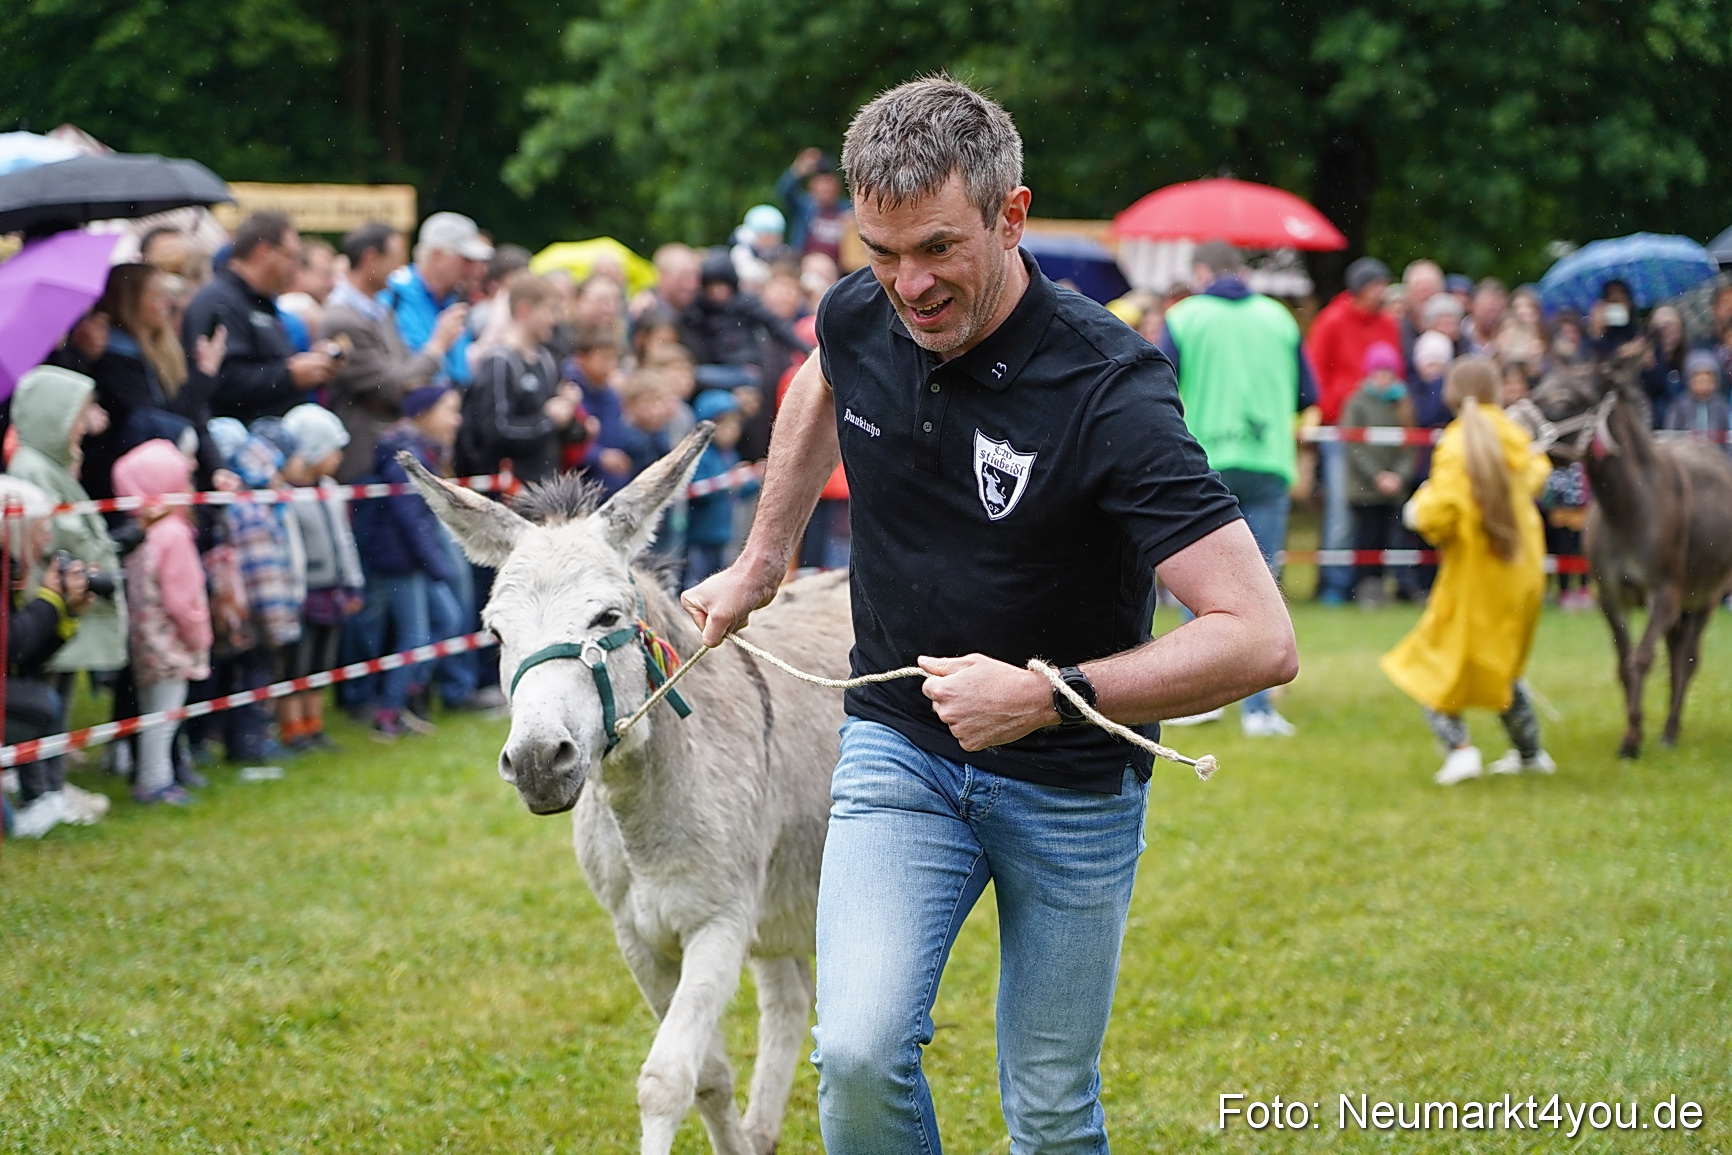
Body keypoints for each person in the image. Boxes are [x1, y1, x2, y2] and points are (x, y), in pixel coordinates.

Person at [682, 76, 1296, 1152]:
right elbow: (820, 380)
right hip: (897, 747)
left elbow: (1259, 635)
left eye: (935, 249)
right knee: (858, 1054)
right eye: (879, 252)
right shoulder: (858, 312)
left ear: (1011, 217)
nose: (906, 287)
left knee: (1051, 1107)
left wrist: (1049, 695)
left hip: (1070, 787)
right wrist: (760, 562)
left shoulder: (1110, 389)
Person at [1157, 239, 1313, 735]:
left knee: (1200, 585)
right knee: (1262, 582)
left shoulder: (1186, 317)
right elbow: (1309, 391)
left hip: (1206, 459)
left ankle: (1198, 698)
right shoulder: (1280, 319)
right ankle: (1260, 711)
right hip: (1268, 458)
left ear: (1203, 271)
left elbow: (1156, 381)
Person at [1380, 357, 1554, 785]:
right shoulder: (1514, 434)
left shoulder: (1455, 443)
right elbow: (1537, 476)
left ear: (1452, 393)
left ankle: (1460, 750)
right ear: (1496, 390)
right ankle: (1530, 754)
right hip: (1522, 571)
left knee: (1428, 662)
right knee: (1503, 664)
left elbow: (1443, 512)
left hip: (1475, 575)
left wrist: (1417, 509)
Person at [6, 366, 131, 757]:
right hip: (43, 600)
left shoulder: (50, 466)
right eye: (77, 416)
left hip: (61, 602)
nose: (82, 427)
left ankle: (54, 785)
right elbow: (57, 530)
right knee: (40, 699)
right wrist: (94, 546)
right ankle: (42, 789)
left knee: (55, 700)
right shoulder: (31, 468)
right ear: (53, 415)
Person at [356, 383, 468, 739]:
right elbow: (410, 516)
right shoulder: (400, 451)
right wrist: (436, 564)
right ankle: (389, 711)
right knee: (416, 634)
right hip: (399, 559)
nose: (456, 420)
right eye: (448, 411)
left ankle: (408, 694)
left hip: (415, 557)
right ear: (424, 414)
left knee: (447, 620)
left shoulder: (427, 450)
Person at [1, 477, 102, 838]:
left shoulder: (10, 567)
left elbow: (22, 659)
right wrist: (49, 601)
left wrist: (67, 613)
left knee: (38, 694)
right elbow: (8, 644)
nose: (47, 540)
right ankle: (38, 798)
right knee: (39, 702)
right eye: (41, 528)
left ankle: (43, 798)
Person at [111, 440, 211, 804]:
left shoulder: (139, 530)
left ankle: (157, 775)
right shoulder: (173, 533)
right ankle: (155, 782)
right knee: (164, 716)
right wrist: (199, 635)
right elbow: (183, 600)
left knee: (153, 711)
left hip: (144, 640)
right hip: (171, 642)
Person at [322, 222, 462, 482]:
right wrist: (438, 346)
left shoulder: (379, 311)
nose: (399, 270)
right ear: (370, 258)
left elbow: (405, 371)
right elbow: (393, 385)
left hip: (389, 454)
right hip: (365, 460)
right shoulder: (342, 318)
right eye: (394, 260)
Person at [1305, 256, 1401, 604]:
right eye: (1377, 285)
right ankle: (1334, 584)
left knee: (1376, 510)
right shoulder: (1332, 321)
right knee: (1341, 511)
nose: (1383, 292)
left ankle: (1368, 583)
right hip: (1341, 430)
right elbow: (1315, 373)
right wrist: (1336, 410)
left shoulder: (1387, 323)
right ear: (1361, 287)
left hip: (1380, 429)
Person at [182, 211, 337, 423]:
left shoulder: (261, 301)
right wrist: (289, 375)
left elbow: (265, 364)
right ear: (264, 252)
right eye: (290, 256)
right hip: (238, 436)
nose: (295, 268)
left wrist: (308, 365)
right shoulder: (217, 302)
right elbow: (219, 381)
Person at [84, 263, 224, 496]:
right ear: (130, 302)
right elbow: (162, 421)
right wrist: (204, 374)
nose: (168, 304)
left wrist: (218, 468)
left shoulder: (160, 350)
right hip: (134, 484)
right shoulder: (113, 359)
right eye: (158, 295)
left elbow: (193, 416)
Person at [280, 404, 364, 751]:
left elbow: (344, 539)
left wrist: (353, 580)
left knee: (321, 664)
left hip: (333, 590)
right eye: (333, 448)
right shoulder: (286, 496)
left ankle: (314, 727)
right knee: (294, 665)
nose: (339, 456)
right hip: (302, 592)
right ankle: (292, 730)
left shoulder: (331, 489)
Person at [454, 275, 585, 486]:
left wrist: (571, 415)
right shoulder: (500, 363)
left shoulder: (546, 360)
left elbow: (566, 433)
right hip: (509, 492)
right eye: (549, 310)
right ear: (525, 309)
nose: (554, 320)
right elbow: (496, 432)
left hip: (546, 487)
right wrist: (549, 420)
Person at [1342, 342, 1419, 606]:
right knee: (1366, 538)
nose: (1384, 378)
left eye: (1388, 372)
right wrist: (1377, 476)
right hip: (1364, 487)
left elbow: (1410, 446)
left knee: (1392, 538)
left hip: (1393, 488)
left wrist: (1398, 476)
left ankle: (1391, 587)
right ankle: (1364, 589)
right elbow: (1353, 445)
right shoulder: (1357, 402)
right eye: (1379, 372)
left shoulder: (1403, 403)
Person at [380, 212, 488, 385]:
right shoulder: (393, 297)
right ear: (437, 256)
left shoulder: (453, 300)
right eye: (466, 260)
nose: (475, 269)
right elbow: (397, 376)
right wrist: (439, 344)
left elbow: (461, 374)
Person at [684, 388, 760, 585]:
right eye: (723, 424)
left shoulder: (730, 455)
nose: (730, 430)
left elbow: (737, 493)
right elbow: (697, 491)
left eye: (734, 424)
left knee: (716, 579)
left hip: (723, 533)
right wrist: (729, 480)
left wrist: (753, 479)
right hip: (700, 534)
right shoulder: (701, 456)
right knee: (696, 579)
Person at [777, 147, 853, 263]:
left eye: (829, 184)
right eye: (821, 184)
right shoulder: (804, 206)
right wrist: (798, 169)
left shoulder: (848, 209)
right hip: (803, 263)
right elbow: (784, 192)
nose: (825, 189)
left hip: (839, 270)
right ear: (812, 186)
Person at [1663, 350, 1730, 441]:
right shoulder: (1680, 405)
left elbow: (1728, 436)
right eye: (1699, 381)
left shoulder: (1721, 405)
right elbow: (1670, 434)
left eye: (1708, 381)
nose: (1704, 386)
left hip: (1716, 452)